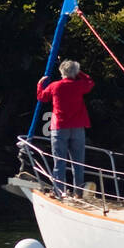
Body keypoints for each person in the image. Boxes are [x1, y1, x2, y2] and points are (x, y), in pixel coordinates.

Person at [37, 60, 94, 196]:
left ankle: (59, 191)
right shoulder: (80, 85)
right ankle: (78, 192)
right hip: (77, 127)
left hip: (60, 127)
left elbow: (41, 97)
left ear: (61, 72)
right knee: (78, 162)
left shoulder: (54, 86)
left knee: (60, 162)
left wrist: (40, 84)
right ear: (74, 73)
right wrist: (78, 72)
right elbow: (90, 82)